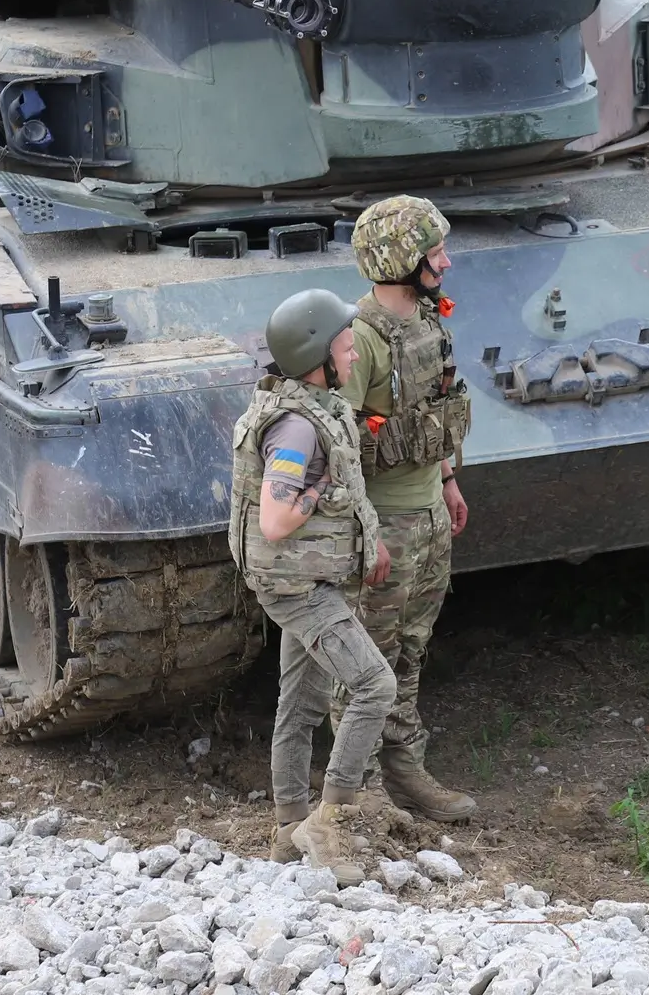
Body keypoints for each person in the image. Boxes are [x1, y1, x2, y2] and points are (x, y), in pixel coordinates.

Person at [227, 287, 396, 886]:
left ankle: (286, 829)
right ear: (316, 356)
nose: (353, 357)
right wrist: (319, 494)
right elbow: (275, 520)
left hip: (309, 575)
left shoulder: (312, 406)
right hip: (298, 586)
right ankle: (331, 820)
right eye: (346, 347)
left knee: (299, 704)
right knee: (375, 685)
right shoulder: (298, 427)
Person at [334, 195, 477, 822]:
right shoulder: (358, 342)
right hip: (385, 523)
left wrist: (447, 481)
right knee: (367, 663)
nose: (444, 260)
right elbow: (338, 449)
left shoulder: (428, 322)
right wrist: (367, 534)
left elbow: (437, 409)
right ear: (399, 259)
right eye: (433, 250)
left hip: (428, 514)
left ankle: (404, 769)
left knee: (412, 649)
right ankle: (357, 790)